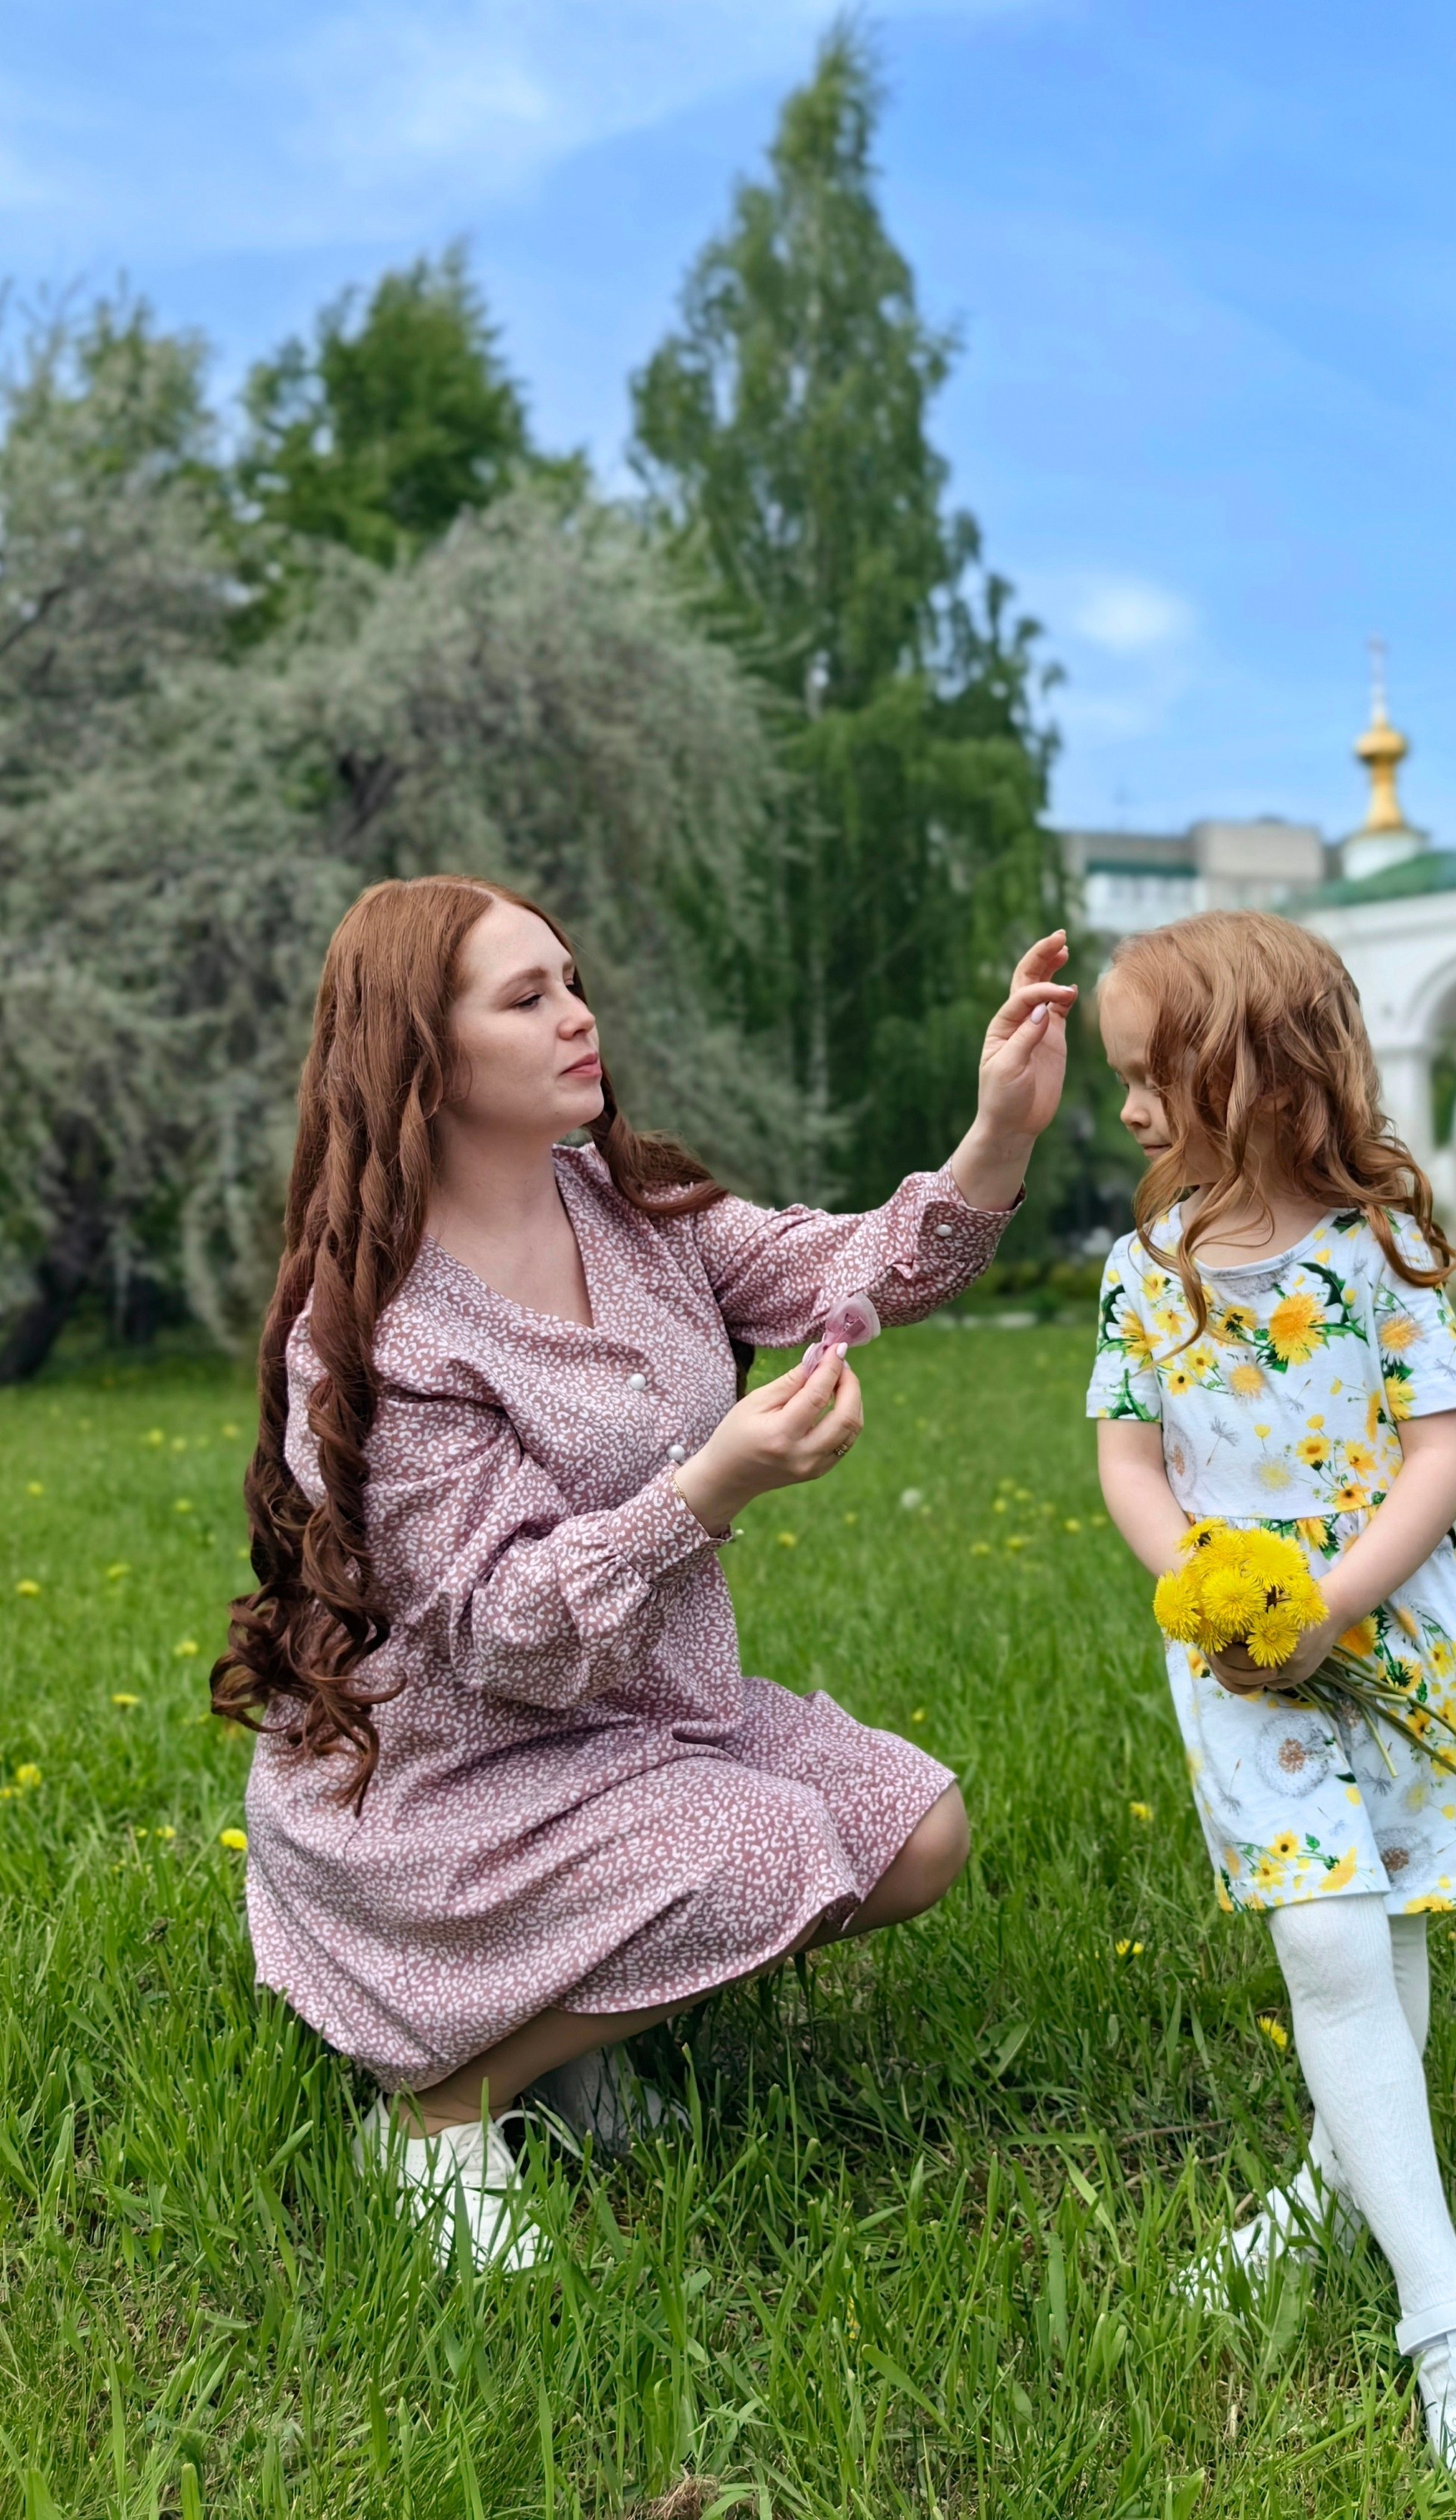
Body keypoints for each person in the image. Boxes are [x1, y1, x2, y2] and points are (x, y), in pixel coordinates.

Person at [213, 875, 1071, 2269]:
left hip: (638, 1722)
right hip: (452, 1781)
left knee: (917, 1833)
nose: (578, 1014)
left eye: (572, 979)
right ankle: (440, 2106)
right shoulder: (375, 1326)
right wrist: (711, 1487)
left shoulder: (626, 1204)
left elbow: (834, 1268)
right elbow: (503, 1636)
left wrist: (992, 1139)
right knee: (771, 1846)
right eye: (527, 995)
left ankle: (564, 2034)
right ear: (420, 1054)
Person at [1087, 912, 1456, 2495]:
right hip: (1233, 1657)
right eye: (1125, 1080)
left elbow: (1443, 1449)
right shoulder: (1143, 1276)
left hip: (1395, 1628)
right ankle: (1446, 2311)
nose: (1135, 1112)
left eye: (1159, 1075)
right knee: (1330, 1933)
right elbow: (1129, 1458)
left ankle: (1322, 2192)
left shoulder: (1378, 1254)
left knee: (1394, 1918)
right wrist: (1209, 1587)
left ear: (1260, 1070)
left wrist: (1333, 1598)